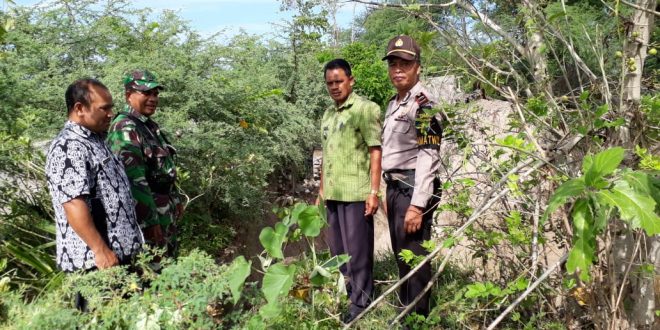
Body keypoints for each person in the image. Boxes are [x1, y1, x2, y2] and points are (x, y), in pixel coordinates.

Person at [45, 78, 143, 279]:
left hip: (117, 256)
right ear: (80, 108)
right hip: (97, 263)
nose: (110, 114)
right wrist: (100, 250)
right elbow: (73, 203)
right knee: (102, 310)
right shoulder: (69, 147)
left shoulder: (96, 139)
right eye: (104, 108)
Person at [381, 35, 442, 317]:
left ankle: (418, 318)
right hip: (396, 188)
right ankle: (408, 312)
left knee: (414, 257)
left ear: (417, 66)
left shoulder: (423, 103)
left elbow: (429, 155)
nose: (398, 69)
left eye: (405, 62)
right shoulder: (395, 103)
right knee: (402, 256)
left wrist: (418, 205)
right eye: (393, 63)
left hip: (412, 187)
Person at [319, 59, 382, 323]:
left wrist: (374, 192)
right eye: (330, 83)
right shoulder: (328, 114)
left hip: (356, 193)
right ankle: (352, 294)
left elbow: (375, 149)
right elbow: (326, 154)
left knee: (357, 251)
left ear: (351, 80)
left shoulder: (365, 109)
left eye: (339, 81)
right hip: (333, 193)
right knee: (339, 251)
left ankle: (361, 303)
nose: (334, 87)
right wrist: (321, 190)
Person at [107, 70, 183, 258]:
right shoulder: (125, 127)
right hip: (149, 219)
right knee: (153, 271)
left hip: (165, 212)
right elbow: (133, 180)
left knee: (169, 268)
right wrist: (149, 222)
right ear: (128, 95)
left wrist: (176, 198)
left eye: (155, 93)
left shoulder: (148, 126)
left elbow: (163, 170)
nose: (153, 98)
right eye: (146, 93)